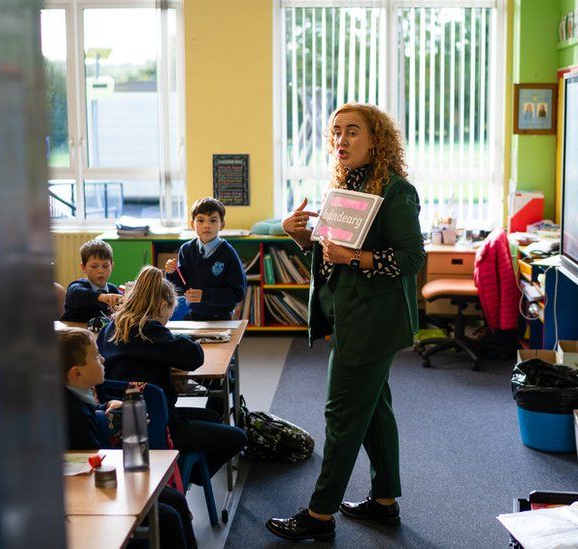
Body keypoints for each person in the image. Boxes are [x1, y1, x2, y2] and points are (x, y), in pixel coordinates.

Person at [266, 103, 425, 541]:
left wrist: (357, 256)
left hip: (373, 324)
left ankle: (319, 516)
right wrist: (299, 235)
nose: (341, 140)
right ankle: (384, 502)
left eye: (352, 132)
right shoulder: (344, 188)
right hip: (347, 314)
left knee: (341, 416)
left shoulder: (396, 191)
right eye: (335, 132)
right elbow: (330, 257)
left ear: (376, 140)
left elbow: (412, 259)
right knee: (373, 409)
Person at [96, 265, 246, 481]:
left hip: (117, 422)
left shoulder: (110, 328)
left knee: (213, 417)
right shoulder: (151, 331)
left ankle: (185, 469)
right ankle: (185, 476)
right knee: (237, 437)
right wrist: (167, 334)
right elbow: (195, 357)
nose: (168, 319)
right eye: (169, 313)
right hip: (158, 423)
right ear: (163, 306)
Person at [57, 326, 197, 549]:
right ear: (77, 373)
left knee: (175, 499)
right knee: (168, 517)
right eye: (95, 355)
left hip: (87, 488)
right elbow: (90, 469)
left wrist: (103, 408)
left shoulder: (71, 397)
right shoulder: (74, 416)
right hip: (83, 501)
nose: (103, 358)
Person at [164, 197, 246, 321]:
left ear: (222, 224)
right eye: (201, 220)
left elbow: (237, 293)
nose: (206, 225)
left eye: (213, 220)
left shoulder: (228, 253)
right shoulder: (186, 250)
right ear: (192, 224)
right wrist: (171, 272)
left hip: (221, 317)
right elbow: (180, 288)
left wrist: (206, 295)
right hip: (194, 314)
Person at [61, 240, 122, 323]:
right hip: (76, 332)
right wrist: (103, 297)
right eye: (94, 266)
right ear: (83, 267)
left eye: (105, 266)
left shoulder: (113, 290)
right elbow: (76, 293)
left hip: (98, 333)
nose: (100, 271)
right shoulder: (77, 287)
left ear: (112, 266)